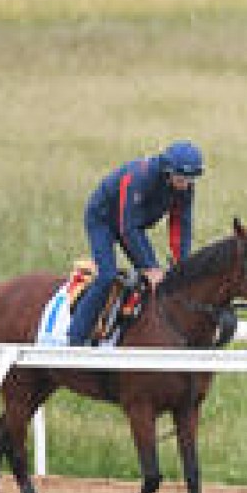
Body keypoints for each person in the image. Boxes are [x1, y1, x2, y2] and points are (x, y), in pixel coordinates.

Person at [66, 140, 204, 346]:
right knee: (107, 275)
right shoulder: (141, 177)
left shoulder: (185, 188)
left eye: (190, 179)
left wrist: (181, 264)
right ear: (168, 170)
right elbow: (127, 228)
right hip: (103, 220)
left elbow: (181, 226)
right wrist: (150, 268)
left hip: (132, 224)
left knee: (156, 282)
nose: (185, 184)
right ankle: (75, 338)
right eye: (181, 178)